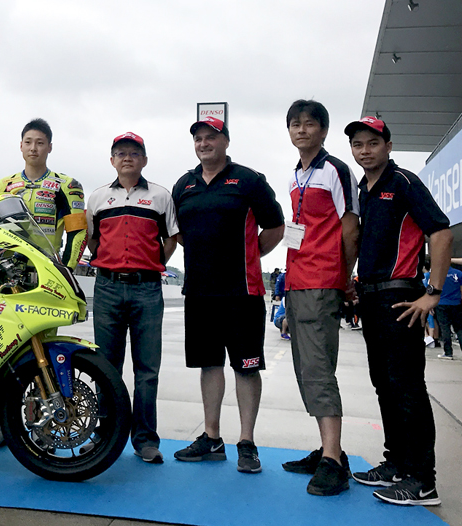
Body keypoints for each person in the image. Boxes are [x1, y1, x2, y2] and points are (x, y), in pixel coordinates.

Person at [346, 116, 451, 506]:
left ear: (388, 146)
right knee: (384, 385)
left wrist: (433, 293)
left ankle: (423, 481)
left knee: (407, 387)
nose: (365, 150)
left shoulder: (403, 181)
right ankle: (397, 464)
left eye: (373, 143)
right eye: (358, 144)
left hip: (401, 298)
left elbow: (440, 232)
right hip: (370, 298)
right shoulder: (363, 190)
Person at [171, 117, 284, 474]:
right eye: (198, 139)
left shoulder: (249, 180)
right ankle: (212, 437)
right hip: (199, 291)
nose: (204, 143)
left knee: (246, 367)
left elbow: (275, 226)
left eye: (211, 137)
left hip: (242, 291)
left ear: (226, 141)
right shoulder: (184, 185)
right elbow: (178, 232)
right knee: (209, 365)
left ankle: (246, 442)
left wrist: (250, 255)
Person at [281, 100, 359, 496]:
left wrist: (344, 278)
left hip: (322, 279)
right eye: (295, 124)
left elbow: (350, 226)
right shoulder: (295, 175)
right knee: (305, 369)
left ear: (323, 131)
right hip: (297, 281)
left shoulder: (335, 170)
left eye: (310, 123)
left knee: (318, 369)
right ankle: (330, 451)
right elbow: (297, 230)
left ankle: (333, 461)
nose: (301, 130)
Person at [86, 132, 178, 464]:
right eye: (121, 153)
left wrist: (152, 265)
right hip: (107, 288)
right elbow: (92, 240)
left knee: (147, 370)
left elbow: (171, 238)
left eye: (134, 153)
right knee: (106, 366)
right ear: (112, 160)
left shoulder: (160, 196)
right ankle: (104, 436)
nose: (127, 158)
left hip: (147, 289)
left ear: (145, 160)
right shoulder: (98, 198)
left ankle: (145, 439)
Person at [0, 119, 87, 268]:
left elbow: (77, 233)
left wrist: (66, 270)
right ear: (21, 146)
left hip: (48, 269)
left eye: (40, 143)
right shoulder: (1, 186)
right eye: (28, 142)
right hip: (7, 269)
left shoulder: (67, 186)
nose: (33, 148)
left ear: (50, 147)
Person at [423, 258, 462, 359]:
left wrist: (430, 304)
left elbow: (430, 290)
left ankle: (448, 353)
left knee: (445, 328)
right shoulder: (458, 273)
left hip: (441, 304)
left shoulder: (435, 275)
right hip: (456, 303)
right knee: (459, 328)